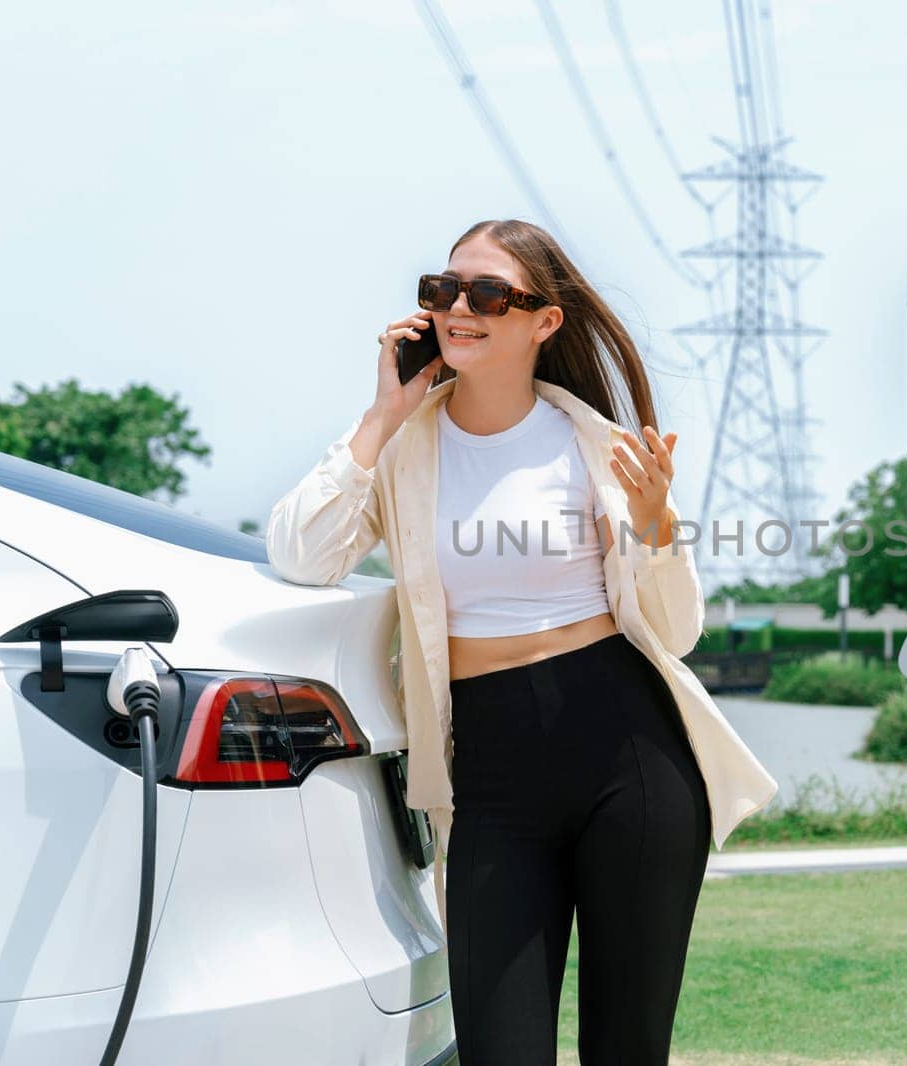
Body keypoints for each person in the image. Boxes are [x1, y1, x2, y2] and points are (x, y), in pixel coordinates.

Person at [264, 219, 778, 1065]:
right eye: (443, 290)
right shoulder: (404, 447)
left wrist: (653, 525)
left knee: (628, 1050)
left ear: (543, 322)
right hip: (491, 776)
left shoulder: (599, 449)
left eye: (488, 293)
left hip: (631, 753)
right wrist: (383, 411)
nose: (460, 308)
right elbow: (303, 553)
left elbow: (677, 632)